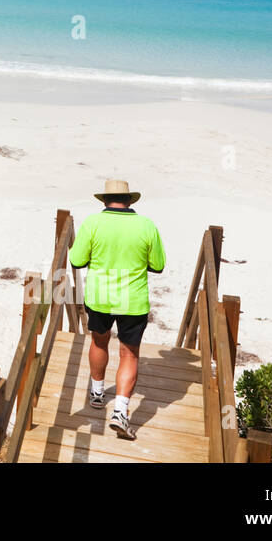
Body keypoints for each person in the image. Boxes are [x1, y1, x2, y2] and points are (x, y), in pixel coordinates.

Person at [67, 179, 166, 440]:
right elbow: (157, 265)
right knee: (129, 353)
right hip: (132, 300)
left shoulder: (92, 223)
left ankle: (98, 394)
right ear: (130, 201)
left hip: (100, 297)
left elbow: (76, 260)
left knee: (99, 343)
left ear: (103, 200)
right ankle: (120, 412)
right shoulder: (146, 225)